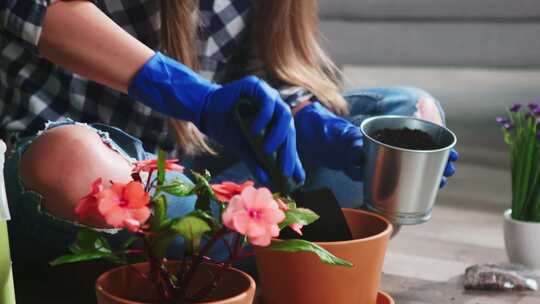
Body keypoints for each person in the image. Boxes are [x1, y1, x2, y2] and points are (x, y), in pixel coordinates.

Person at [1, 0, 457, 294]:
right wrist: (186, 91)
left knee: (412, 113)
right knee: (69, 162)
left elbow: (268, 78)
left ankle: (230, 258)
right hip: (69, 175)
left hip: (196, 176)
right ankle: (281, 259)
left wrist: (301, 118)